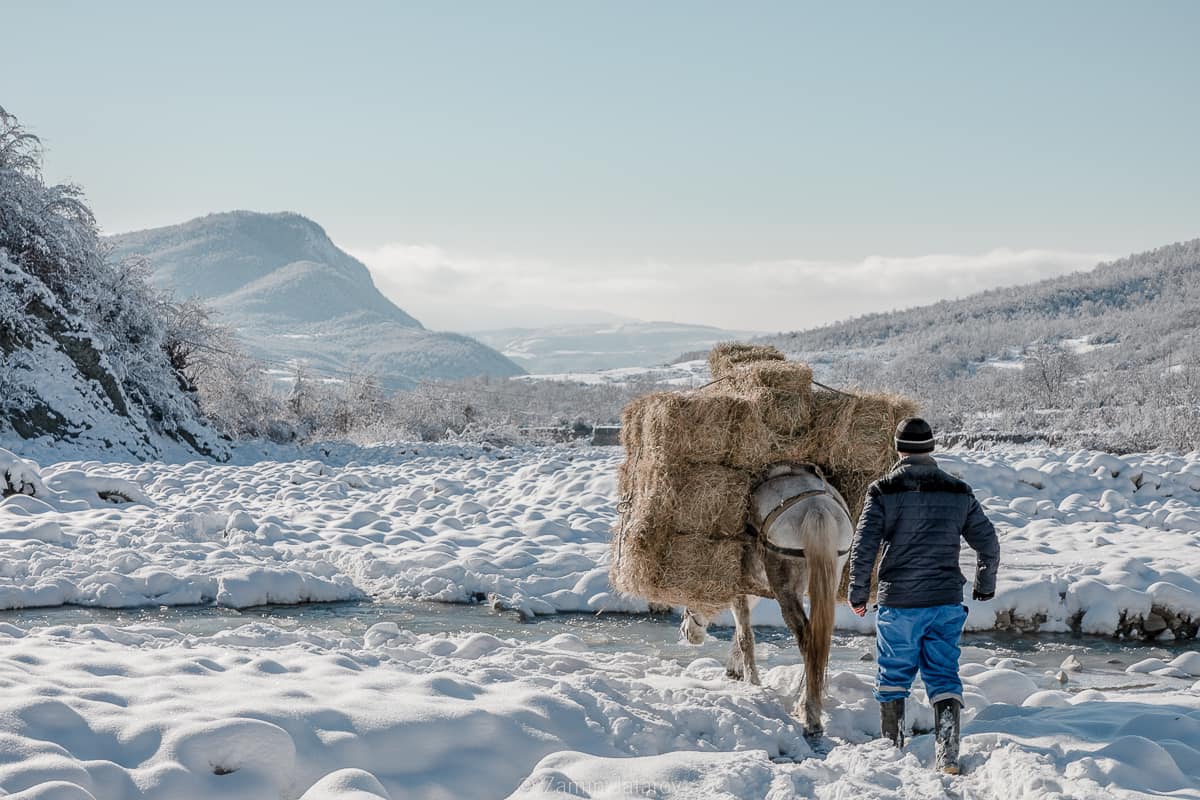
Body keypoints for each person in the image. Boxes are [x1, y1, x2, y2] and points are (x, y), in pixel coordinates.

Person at [847, 417, 1000, 775]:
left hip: (899, 602)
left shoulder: (882, 490)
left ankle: (891, 753)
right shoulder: (958, 491)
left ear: (898, 448)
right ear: (931, 447)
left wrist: (857, 594)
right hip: (945, 601)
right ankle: (947, 756)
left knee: (893, 678)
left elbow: (863, 546)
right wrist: (984, 584)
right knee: (944, 676)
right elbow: (988, 543)